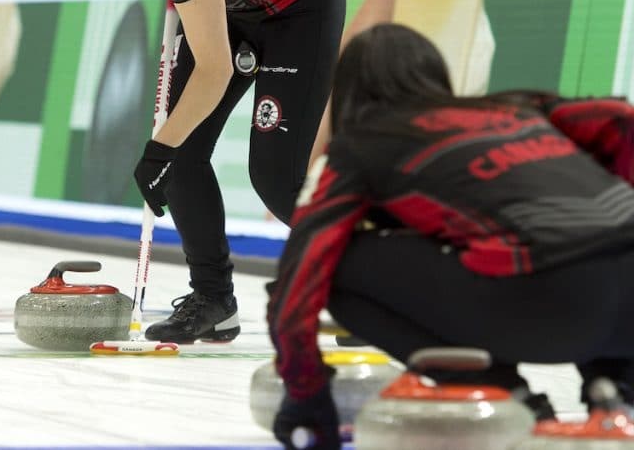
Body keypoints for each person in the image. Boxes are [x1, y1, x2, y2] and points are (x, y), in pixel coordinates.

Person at [43, 0, 346, 343]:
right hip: (234, 3)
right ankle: (214, 299)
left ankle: (382, 273)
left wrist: (156, 149)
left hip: (300, 7)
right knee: (181, 158)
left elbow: (216, 69)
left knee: (275, 180)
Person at [267, 23, 634, 449]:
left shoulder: (361, 145)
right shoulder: (519, 107)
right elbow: (622, 119)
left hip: (554, 311)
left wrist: (305, 392)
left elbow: (303, 271)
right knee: (602, 241)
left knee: (341, 265)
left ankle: (509, 396)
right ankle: (614, 391)